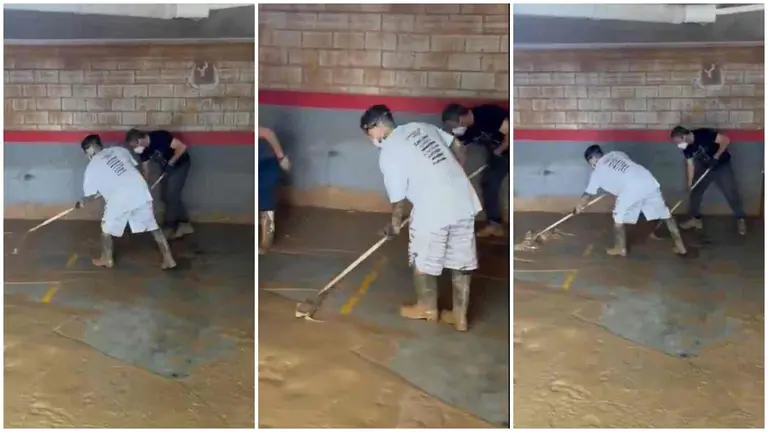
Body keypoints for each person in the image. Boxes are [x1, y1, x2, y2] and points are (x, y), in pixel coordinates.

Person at [360, 105, 483, 331]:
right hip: (462, 199)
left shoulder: (389, 151)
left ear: (376, 127)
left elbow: (398, 197)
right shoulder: (422, 127)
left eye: (369, 134)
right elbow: (458, 146)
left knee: (423, 258)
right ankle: (459, 316)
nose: (371, 139)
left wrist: (395, 225)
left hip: (432, 208)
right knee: (461, 261)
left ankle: (427, 308)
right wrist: (452, 176)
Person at [77, 134, 176, 269]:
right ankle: (169, 259)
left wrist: (82, 202)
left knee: (106, 229)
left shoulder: (92, 166)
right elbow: (127, 169)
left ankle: (106, 259)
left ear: (90, 150)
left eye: (86, 152)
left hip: (120, 197)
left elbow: (91, 194)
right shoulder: (119, 150)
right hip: (140, 189)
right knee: (153, 226)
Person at [576, 145, 687, 257]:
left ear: (593, 159)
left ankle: (620, 248)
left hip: (630, 187)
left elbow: (587, 194)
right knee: (666, 214)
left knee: (618, 219)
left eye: (590, 163)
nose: (591, 165)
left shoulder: (597, 172)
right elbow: (625, 170)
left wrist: (579, 206)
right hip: (647, 178)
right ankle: (680, 246)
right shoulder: (616, 153)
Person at [442, 103, 509, 238]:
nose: (454, 129)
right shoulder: (465, 130)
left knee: (490, 181)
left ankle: (495, 225)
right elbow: (461, 151)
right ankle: (494, 224)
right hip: (495, 152)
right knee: (486, 182)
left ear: (463, 117)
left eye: (455, 125)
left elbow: (511, 133)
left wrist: (500, 150)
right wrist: (457, 172)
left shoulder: (489, 114)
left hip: (508, 150)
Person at [670, 126, 747, 235]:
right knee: (695, 192)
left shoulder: (704, 134)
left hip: (722, 166)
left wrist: (716, 157)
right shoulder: (686, 147)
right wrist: (690, 185)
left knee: (731, 192)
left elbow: (726, 140)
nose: (678, 145)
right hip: (704, 168)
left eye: (678, 142)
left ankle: (740, 219)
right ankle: (696, 220)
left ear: (684, 136)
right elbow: (690, 165)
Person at [125, 128, 193, 240]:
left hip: (181, 165)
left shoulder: (160, 136)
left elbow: (182, 147)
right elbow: (146, 171)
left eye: (134, 145)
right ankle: (184, 223)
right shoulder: (144, 151)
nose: (135, 149)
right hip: (167, 168)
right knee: (165, 196)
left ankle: (169, 226)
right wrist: (144, 187)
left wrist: (171, 163)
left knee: (172, 195)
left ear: (140, 140)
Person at [258, 127, 291, 255]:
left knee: (265, 198)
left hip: (267, 163)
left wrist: (282, 158)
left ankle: (266, 241)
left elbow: (267, 133)